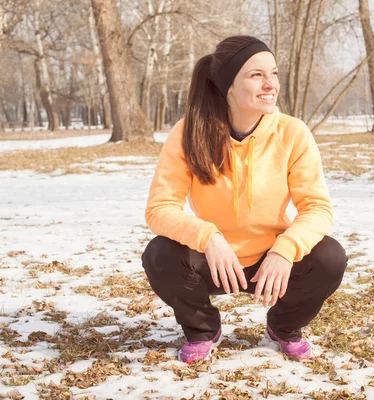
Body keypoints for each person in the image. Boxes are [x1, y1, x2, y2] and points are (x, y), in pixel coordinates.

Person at [141, 35, 347, 364]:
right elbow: (159, 208)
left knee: (330, 257)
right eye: (256, 75)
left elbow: (317, 208)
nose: (270, 85)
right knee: (159, 254)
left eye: (274, 74)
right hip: (213, 261)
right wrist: (208, 238)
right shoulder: (188, 133)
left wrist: (284, 249)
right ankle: (203, 329)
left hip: (272, 264)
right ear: (229, 86)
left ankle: (284, 327)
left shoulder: (293, 133)